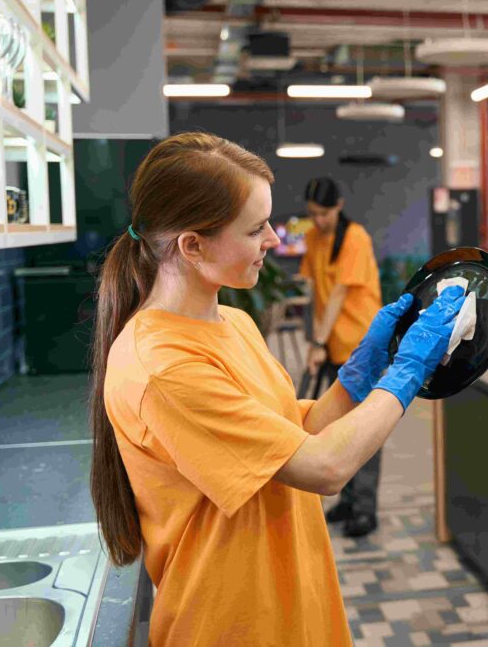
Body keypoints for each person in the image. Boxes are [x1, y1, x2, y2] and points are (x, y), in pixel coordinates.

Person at [89, 132, 465, 646]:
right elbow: (323, 467)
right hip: (233, 625)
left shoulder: (234, 323)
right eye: (254, 228)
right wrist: (407, 371)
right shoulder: (162, 367)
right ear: (192, 246)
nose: (273, 239)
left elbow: (295, 434)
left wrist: (360, 372)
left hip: (296, 607)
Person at [299, 176, 386, 537]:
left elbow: (337, 294)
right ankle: (348, 501)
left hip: (363, 346)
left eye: (324, 213)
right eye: (313, 214)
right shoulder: (313, 237)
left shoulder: (355, 237)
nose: (318, 220)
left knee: (364, 427)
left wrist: (318, 341)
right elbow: (314, 291)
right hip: (334, 345)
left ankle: (366, 509)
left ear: (339, 205)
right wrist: (316, 342)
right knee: (339, 424)